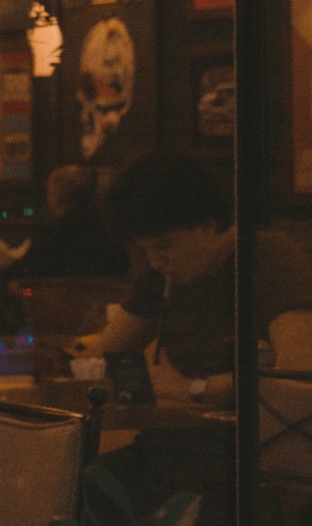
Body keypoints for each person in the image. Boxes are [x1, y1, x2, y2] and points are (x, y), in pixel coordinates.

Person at [72, 150, 312, 406]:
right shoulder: (162, 273)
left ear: (209, 225)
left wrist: (194, 388)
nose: (154, 261)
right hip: (169, 434)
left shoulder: (266, 259)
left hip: (235, 443)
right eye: (146, 250)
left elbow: (299, 373)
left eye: (164, 246)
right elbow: (112, 350)